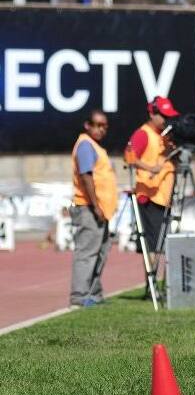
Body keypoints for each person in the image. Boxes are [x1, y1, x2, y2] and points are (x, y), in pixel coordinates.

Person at [126, 96, 179, 294]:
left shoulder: (163, 135)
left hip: (163, 197)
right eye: (162, 116)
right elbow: (129, 156)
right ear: (152, 114)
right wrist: (150, 168)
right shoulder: (143, 134)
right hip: (149, 198)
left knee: (160, 244)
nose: (166, 120)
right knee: (154, 245)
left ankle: (156, 284)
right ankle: (152, 284)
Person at [70, 110, 118, 307]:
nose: (100, 129)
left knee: (100, 253)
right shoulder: (86, 146)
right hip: (90, 208)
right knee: (87, 254)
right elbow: (86, 177)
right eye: (96, 125)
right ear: (87, 125)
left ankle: (94, 294)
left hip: (100, 210)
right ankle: (79, 297)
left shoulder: (95, 147)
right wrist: (96, 206)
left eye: (104, 126)